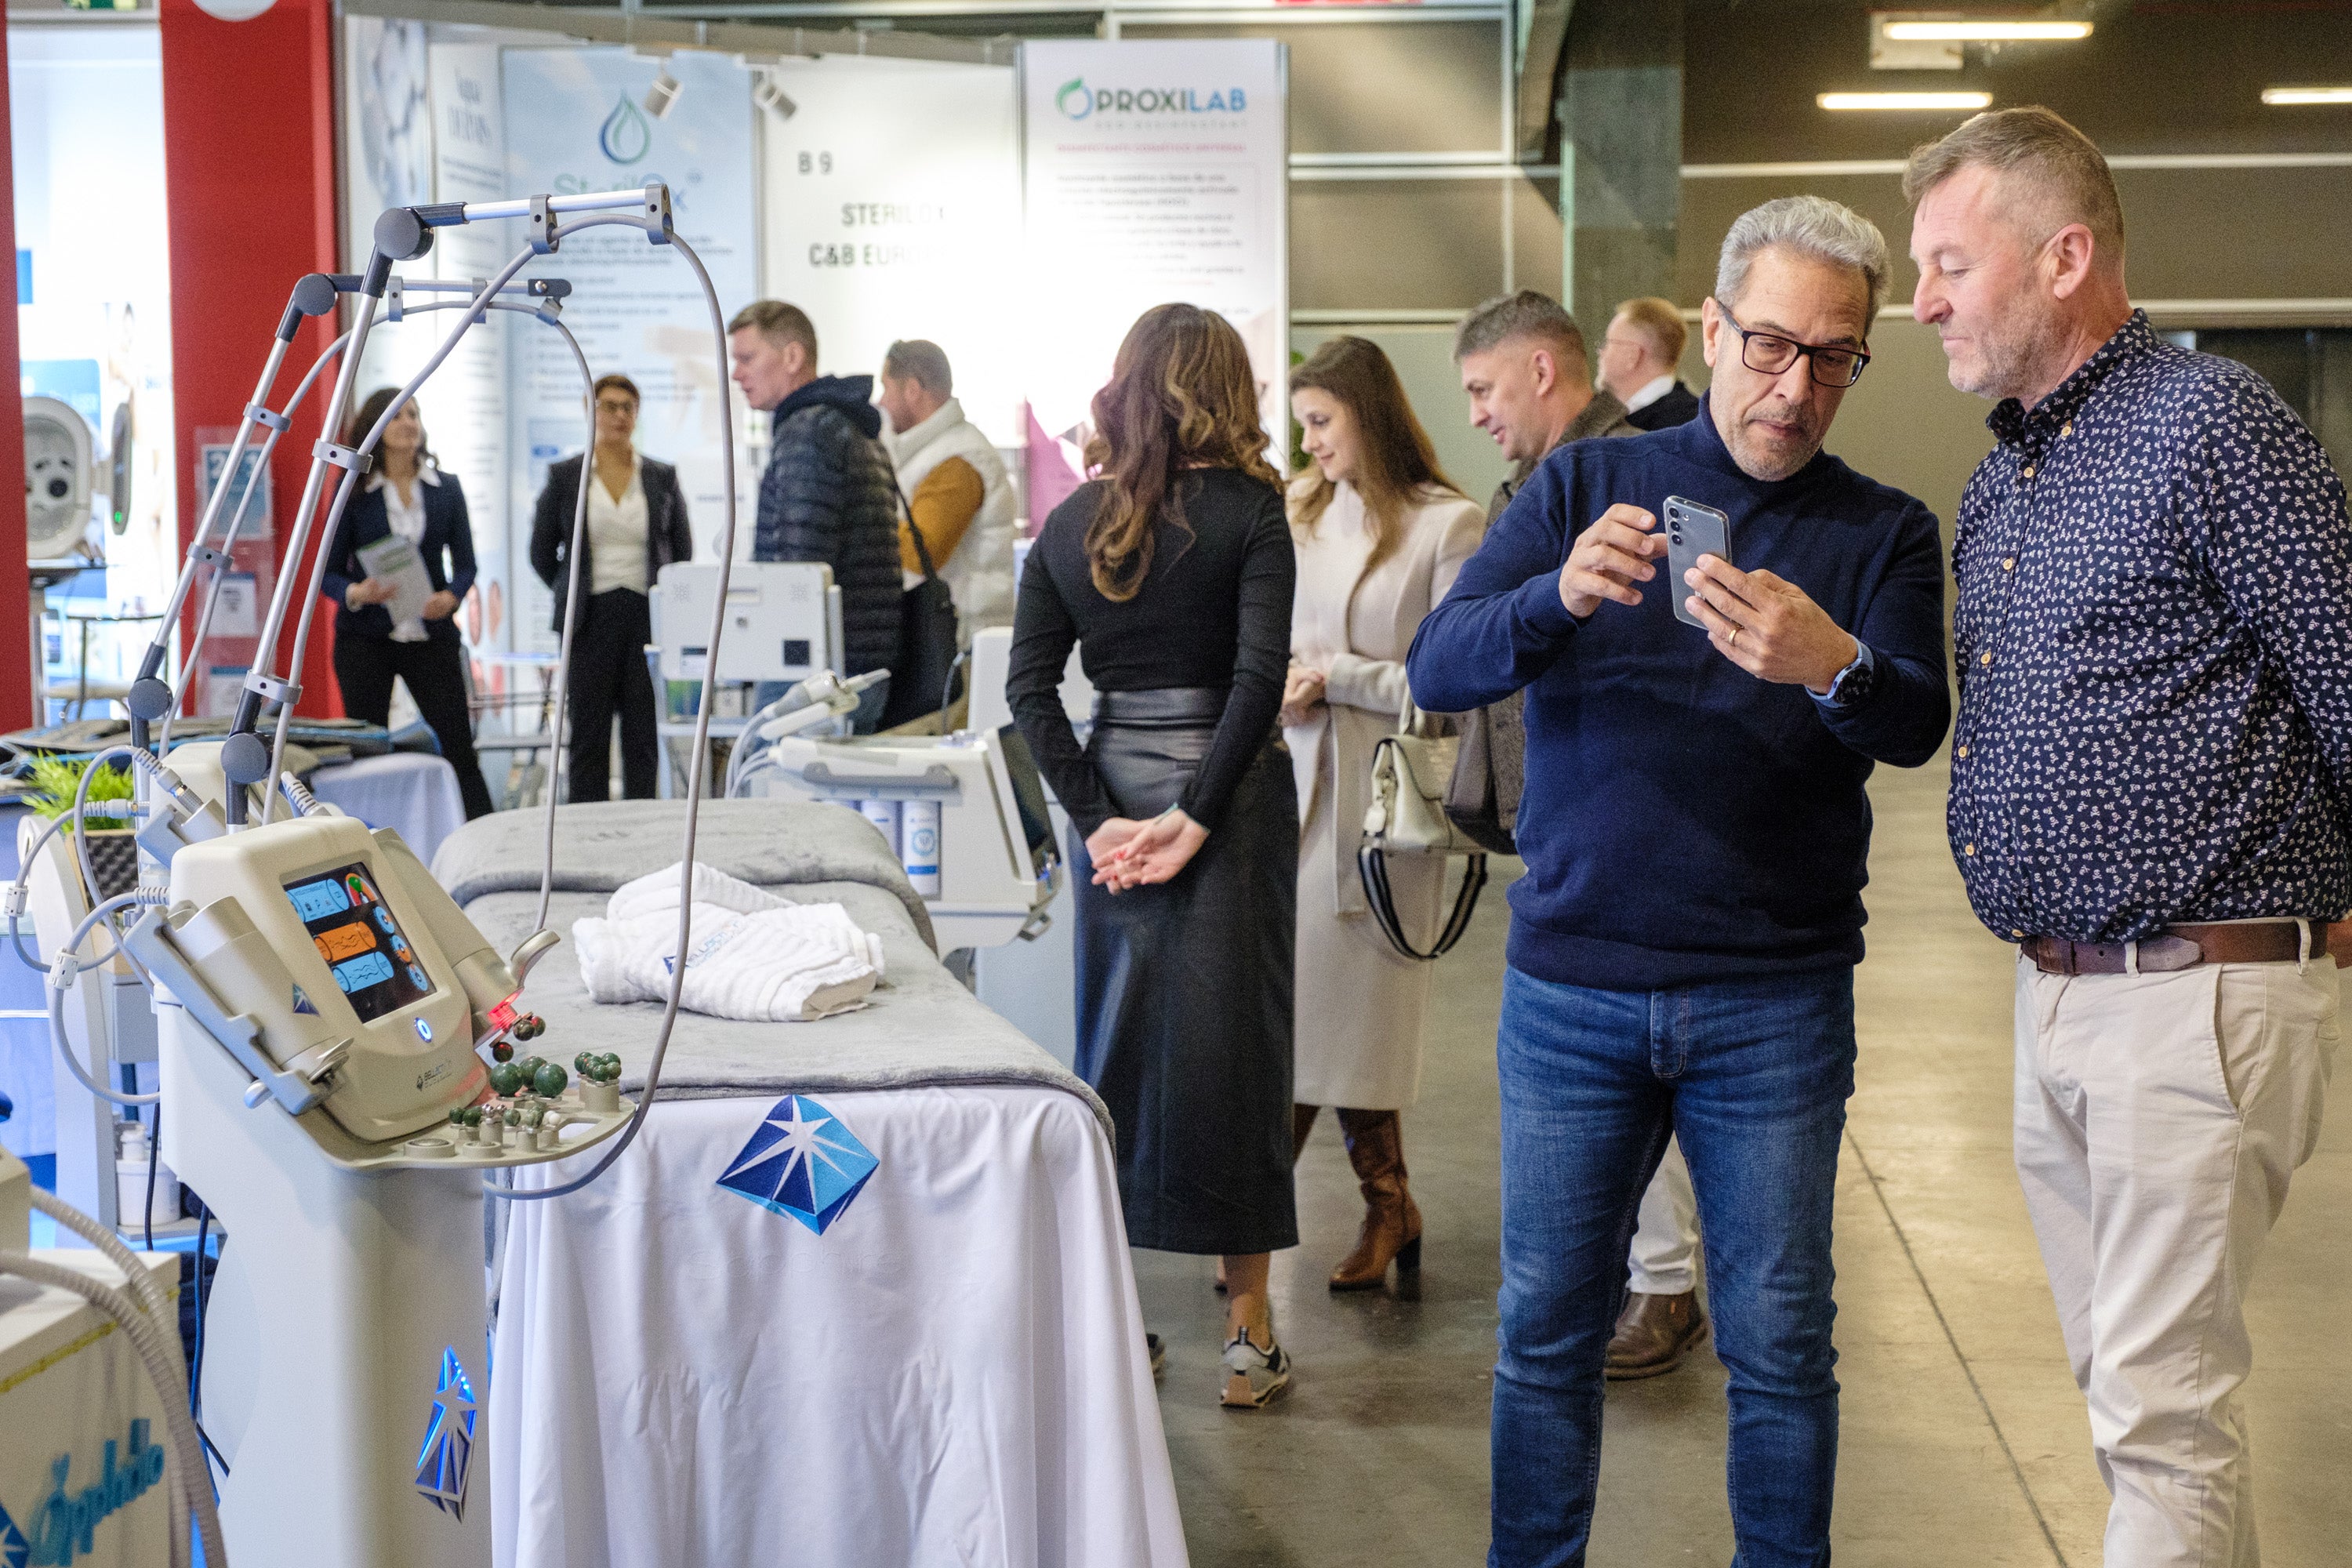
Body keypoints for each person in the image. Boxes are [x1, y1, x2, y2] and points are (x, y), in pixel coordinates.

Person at [1409, 196, 1951, 1565]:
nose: (1796, 383)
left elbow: (1913, 724)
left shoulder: (1881, 533)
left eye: (1835, 357)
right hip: (1575, 989)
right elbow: (1438, 665)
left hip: (1774, 998)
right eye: (1770, 344)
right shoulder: (1586, 486)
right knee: (1544, 1333)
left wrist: (1833, 660)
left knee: (1778, 1345)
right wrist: (1553, 601)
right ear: (1711, 329)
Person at [1909, 108, 2350, 1568]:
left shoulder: (2208, 423)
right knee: (2140, 1406)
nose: (1922, 304)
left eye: (1950, 265)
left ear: (2066, 257)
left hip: (2195, 993)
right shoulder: (2001, 486)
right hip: (2056, 997)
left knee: (2159, 1419)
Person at [1007, 303, 1299, 1410]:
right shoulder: (1254, 514)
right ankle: (1248, 1335)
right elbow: (1257, 683)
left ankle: (1119, 1324)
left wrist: (1097, 819)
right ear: (1231, 388)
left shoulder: (1072, 522)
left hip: (1118, 797)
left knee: (1115, 1049)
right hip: (1229, 801)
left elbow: (1030, 691)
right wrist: (1201, 815)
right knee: (1242, 1052)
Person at [1454, 292, 1710, 1377]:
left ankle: (1666, 1286)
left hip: (1639, 831)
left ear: (1545, 373)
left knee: (1649, 1059)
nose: (1474, 414)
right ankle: (1641, 1272)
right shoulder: (1539, 487)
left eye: (1483, 389)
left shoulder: (1647, 476)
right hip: (1564, 825)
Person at [1283, 336, 1486, 1290]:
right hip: (1293, 790)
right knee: (1289, 1012)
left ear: (1368, 412)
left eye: (1322, 420)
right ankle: (1360, 1206)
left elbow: (1454, 680)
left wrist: (1337, 679)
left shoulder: (1450, 525)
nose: (1310, 440)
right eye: (1303, 423)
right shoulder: (1300, 512)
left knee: (1357, 1019)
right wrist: (1285, 686)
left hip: (1386, 799)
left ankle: (1379, 1203)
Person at [319, 387, 496, 819]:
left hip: (430, 634)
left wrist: (451, 597)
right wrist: (357, 594)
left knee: (457, 743)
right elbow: (326, 573)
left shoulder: (445, 489)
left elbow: (468, 564)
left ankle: (483, 835)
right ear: (376, 428)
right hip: (366, 640)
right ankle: (373, 840)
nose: (409, 424)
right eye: (398, 416)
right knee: (368, 750)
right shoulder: (353, 490)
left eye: (414, 415)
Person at [728, 300, 898, 731]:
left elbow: (800, 570)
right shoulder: (848, 425)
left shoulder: (808, 432)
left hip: (817, 672)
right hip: (857, 660)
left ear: (792, 357)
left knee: (775, 785)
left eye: (747, 358)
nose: (736, 374)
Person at [528, 373, 694, 804]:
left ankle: (643, 828)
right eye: (609, 406)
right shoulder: (566, 476)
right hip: (588, 620)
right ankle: (586, 832)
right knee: (588, 734)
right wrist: (570, 591)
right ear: (591, 410)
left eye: (628, 407)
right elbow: (541, 552)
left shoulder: (660, 475)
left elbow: (681, 549)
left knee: (642, 734)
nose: (619, 416)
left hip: (645, 618)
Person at [877, 339, 1016, 645]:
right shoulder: (934, 453)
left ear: (912, 390)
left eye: (887, 388)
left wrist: (869, 517)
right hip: (953, 633)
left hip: (963, 641)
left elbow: (921, 552)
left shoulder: (958, 460)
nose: (882, 402)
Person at [1599, 296, 1702, 431]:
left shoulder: (1684, 426)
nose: (1601, 352)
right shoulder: (1696, 418)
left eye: (1608, 343)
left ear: (1632, 356)